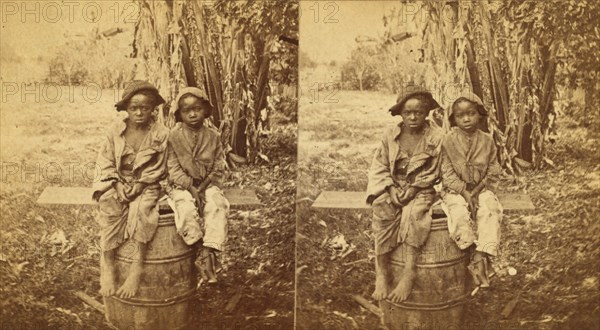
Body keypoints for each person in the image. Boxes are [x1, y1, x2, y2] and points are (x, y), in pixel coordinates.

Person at [366, 86, 444, 303]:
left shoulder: (436, 137)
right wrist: (390, 189)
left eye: (418, 112)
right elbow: (379, 165)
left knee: (414, 214)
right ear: (400, 112)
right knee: (381, 208)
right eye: (408, 112)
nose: (413, 117)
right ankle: (381, 273)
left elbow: (435, 169)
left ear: (427, 112)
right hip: (393, 185)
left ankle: (409, 272)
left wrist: (413, 189)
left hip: (420, 188)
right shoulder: (390, 136)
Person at [92, 80, 169, 298]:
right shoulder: (115, 132)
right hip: (117, 180)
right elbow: (105, 161)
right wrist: (116, 184)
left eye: (145, 108)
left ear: (153, 108)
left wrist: (141, 185)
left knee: (143, 210)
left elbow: (159, 165)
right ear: (126, 108)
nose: (139, 113)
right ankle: (108, 265)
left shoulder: (160, 133)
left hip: (147, 183)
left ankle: (137, 266)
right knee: (108, 205)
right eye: (134, 108)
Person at [166, 86, 230, 284]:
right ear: (180, 114)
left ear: (205, 110)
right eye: (186, 111)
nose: (192, 114)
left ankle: (210, 250)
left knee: (217, 204)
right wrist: (191, 188)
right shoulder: (173, 137)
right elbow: (172, 168)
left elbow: (219, 164)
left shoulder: (213, 136)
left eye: (197, 109)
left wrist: (203, 188)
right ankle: (199, 249)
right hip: (181, 186)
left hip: (206, 184)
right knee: (184, 208)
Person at [440, 92, 503, 288]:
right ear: (453, 119)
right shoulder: (448, 141)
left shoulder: (487, 140)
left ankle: (480, 255)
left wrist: (476, 191)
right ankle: (470, 254)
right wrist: (465, 193)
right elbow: (447, 173)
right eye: (460, 116)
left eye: (471, 113)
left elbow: (493, 169)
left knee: (489, 210)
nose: (466, 119)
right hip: (456, 191)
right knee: (458, 214)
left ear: (479, 115)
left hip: (480, 189)